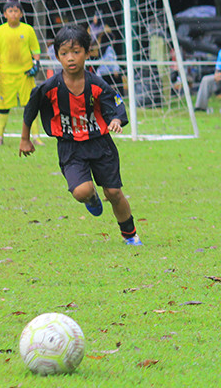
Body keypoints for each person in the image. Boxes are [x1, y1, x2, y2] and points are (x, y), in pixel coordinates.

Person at [18, 24, 142, 246]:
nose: (71, 58)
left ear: (87, 53)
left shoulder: (96, 84)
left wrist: (115, 120)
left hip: (100, 144)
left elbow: (115, 103)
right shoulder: (50, 87)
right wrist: (25, 138)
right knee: (81, 192)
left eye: (76, 52)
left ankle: (130, 235)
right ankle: (92, 197)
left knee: (114, 192)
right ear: (57, 56)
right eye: (64, 53)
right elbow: (31, 108)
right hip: (70, 147)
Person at [0, 0, 43, 147]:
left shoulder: (28, 30)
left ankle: (36, 137)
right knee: (3, 106)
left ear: (21, 13)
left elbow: (36, 50)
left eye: (16, 10)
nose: (13, 13)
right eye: (10, 11)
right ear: (5, 14)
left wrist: (36, 64)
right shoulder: (0, 31)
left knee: (30, 105)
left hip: (25, 75)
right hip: (6, 75)